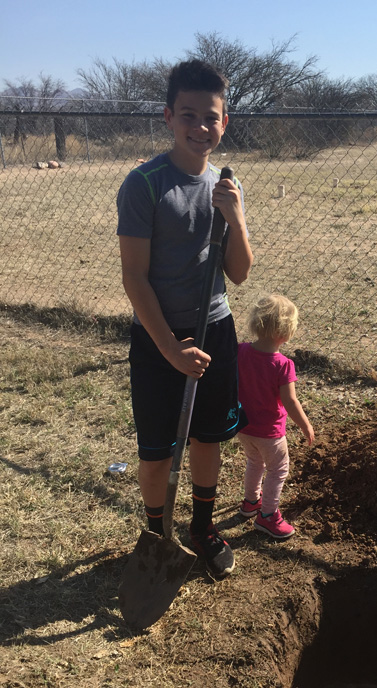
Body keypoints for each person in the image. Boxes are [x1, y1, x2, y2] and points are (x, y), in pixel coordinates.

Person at [116, 59, 253, 578]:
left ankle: (201, 526)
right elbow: (135, 278)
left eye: (211, 117)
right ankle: (158, 532)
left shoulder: (226, 185)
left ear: (225, 122)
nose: (200, 127)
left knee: (207, 438)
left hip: (214, 328)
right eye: (188, 115)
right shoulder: (145, 184)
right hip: (159, 338)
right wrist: (171, 349)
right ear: (169, 117)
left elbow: (238, 272)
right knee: (156, 451)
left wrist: (235, 217)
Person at [237, 295, 315, 540]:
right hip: (269, 432)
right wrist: (306, 425)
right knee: (278, 469)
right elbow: (290, 401)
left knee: (254, 461)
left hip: (243, 426)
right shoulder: (283, 365)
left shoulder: (241, 351)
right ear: (285, 331)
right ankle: (268, 516)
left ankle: (251, 502)